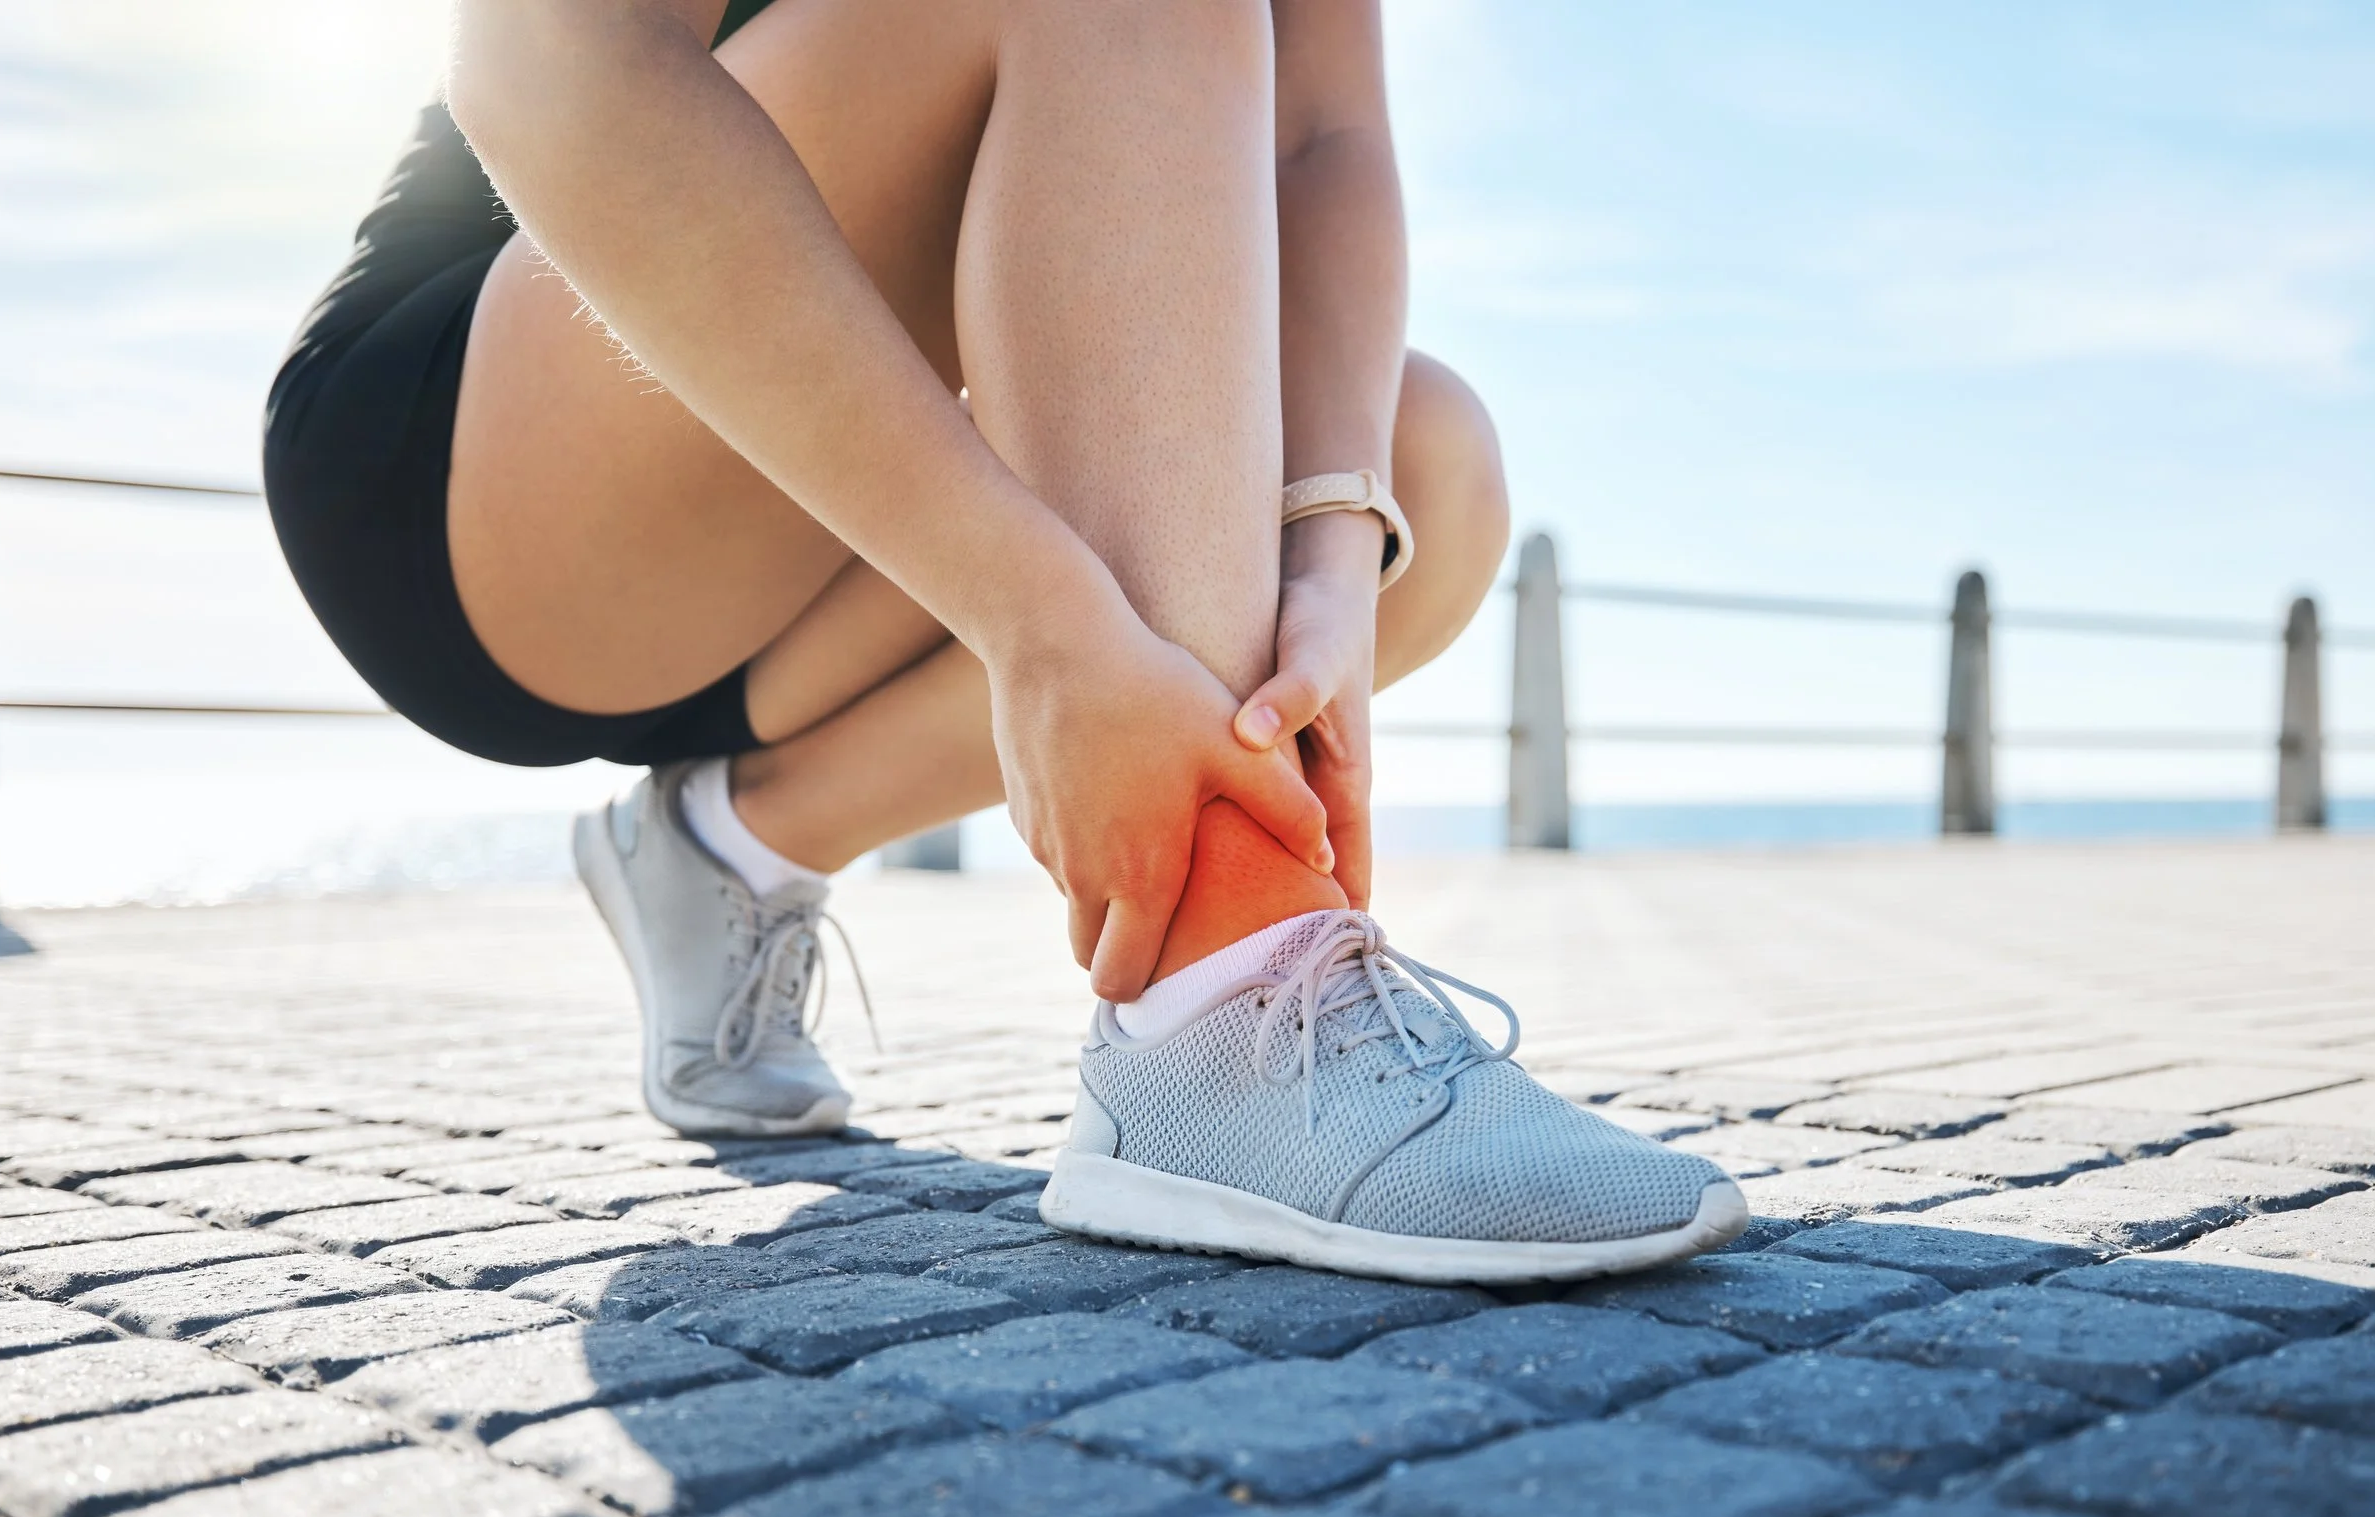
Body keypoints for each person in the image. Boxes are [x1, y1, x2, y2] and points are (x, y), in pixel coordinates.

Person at [263, 0, 1744, 1283]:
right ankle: (1215, 1009)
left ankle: (733, 845)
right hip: (499, 475)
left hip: (822, 524)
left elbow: (1319, 140)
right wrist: (1033, 612)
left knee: (1426, 474)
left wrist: (1331, 537)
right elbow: (545, 66)